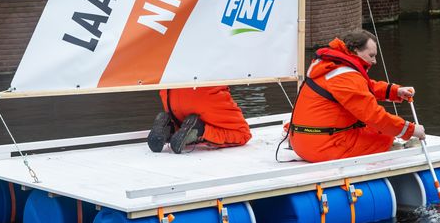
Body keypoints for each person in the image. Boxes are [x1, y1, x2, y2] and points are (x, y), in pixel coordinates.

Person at [287, 30, 424, 163]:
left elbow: (361, 88)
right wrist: (410, 129)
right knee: (385, 137)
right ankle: (388, 149)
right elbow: (374, 116)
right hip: (321, 146)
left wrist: (394, 91)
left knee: (374, 128)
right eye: (371, 56)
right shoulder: (346, 76)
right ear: (356, 51)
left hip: (305, 139)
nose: (375, 61)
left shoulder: (331, 65)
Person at [147, 86, 253, 154]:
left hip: (169, 93)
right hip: (202, 94)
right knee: (242, 134)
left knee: (184, 125)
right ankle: (200, 130)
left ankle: (171, 129)